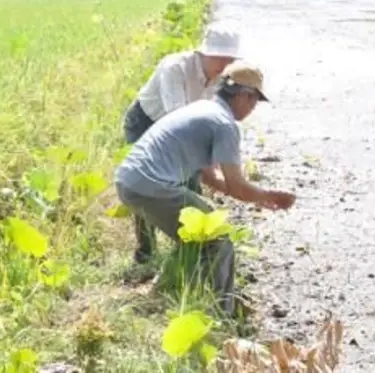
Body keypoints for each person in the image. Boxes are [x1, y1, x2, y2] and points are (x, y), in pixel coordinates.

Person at [114, 60, 296, 316]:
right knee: (218, 238)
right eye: (255, 100)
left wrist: (258, 197)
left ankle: (168, 290)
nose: (254, 107)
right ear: (243, 96)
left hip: (128, 181)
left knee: (195, 234)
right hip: (151, 185)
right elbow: (237, 186)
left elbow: (211, 178)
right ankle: (222, 312)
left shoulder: (202, 109)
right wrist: (270, 196)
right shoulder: (224, 125)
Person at [122, 27, 241, 263]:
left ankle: (192, 249)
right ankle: (145, 251)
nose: (223, 64)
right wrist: (209, 171)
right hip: (146, 122)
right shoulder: (174, 68)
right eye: (218, 57)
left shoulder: (224, 80)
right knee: (148, 184)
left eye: (229, 59)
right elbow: (176, 119)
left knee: (190, 185)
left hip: (183, 128)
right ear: (203, 53)